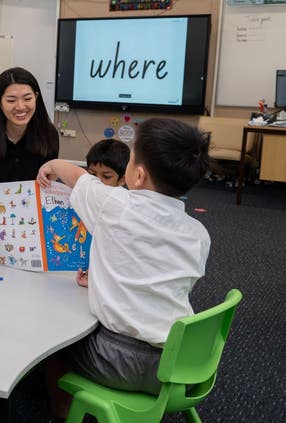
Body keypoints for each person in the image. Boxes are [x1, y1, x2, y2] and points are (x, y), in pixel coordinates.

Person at [37, 118, 211, 420]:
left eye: (130, 158)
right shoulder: (199, 234)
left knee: (53, 347)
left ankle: (63, 412)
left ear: (138, 174)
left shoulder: (113, 205)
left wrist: (53, 162)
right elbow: (159, 280)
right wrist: (106, 279)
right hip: (182, 364)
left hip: (116, 360)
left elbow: (76, 176)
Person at [0, 67, 60, 222]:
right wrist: (2, 221)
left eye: (27, 99)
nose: (20, 107)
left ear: (36, 97)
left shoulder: (48, 134)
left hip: (30, 221)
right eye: (11, 100)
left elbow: (47, 188)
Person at [75, 139, 131, 287]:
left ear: (123, 180)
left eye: (106, 177)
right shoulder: (88, 197)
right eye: (92, 174)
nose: (97, 182)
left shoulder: (122, 208)